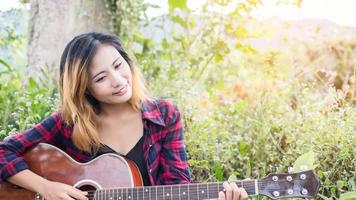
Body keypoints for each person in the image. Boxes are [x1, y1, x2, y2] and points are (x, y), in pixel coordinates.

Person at [0, 32, 248, 200]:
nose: (118, 81)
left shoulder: (165, 115)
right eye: (101, 78)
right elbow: (3, 152)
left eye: (118, 66)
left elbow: (178, 187)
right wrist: (47, 188)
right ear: (84, 88)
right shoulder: (68, 123)